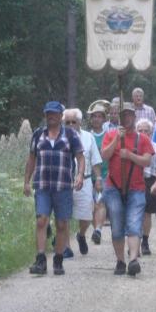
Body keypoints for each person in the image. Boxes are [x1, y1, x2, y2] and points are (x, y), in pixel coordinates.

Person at [23, 101, 85, 275]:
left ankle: (58, 259)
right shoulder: (37, 135)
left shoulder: (71, 135)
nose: (51, 116)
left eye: (54, 114)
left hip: (63, 186)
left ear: (60, 116)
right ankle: (41, 260)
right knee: (41, 220)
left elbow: (80, 158)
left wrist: (80, 175)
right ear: (45, 115)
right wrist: (26, 181)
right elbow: (31, 159)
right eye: (48, 113)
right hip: (42, 186)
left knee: (62, 224)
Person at [100, 102, 154, 276]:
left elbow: (147, 161)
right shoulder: (110, 135)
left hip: (136, 188)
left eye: (130, 115)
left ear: (134, 117)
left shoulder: (142, 139)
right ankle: (120, 261)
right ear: (119, 117)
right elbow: (104, 156)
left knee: (133, 224)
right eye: (124, 115)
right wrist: (117, 139)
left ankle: (133, 260)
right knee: (116, 227)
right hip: (113, 187)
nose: (127, 118)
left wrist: (129, 155)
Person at [63, 108, 103, 256]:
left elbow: (95, 160)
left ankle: (81, 234)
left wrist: (98, 178)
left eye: (74, 122)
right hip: (64, 182)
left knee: (86, 215)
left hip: (85, 181)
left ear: (80, 122)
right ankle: (66, 247)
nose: (71, 125)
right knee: (64, 214)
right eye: (67, 122)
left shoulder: (88, 137)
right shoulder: (58, 137)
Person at [136, 118, 156, 256]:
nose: (143, 133)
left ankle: (145, 241)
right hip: (135, 180)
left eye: (146, 131)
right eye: (140, 130)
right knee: (134, 212)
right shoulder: (133, 146)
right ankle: (134, 241)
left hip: (150, 181)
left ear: (151, 132)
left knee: (147, 213)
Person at [87, 100, 110, 244]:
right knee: (90, 206)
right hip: (88, 176)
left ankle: (98, 230)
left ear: (103, 119)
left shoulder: (108, 135)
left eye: (99, 116)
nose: (96, 119)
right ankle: (95, 228)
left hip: (105, 174)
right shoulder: (86, 136)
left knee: (100, 202)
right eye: (94, 116)